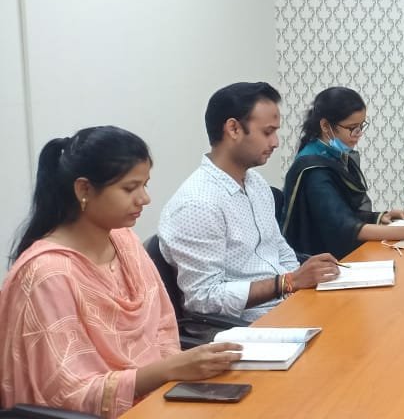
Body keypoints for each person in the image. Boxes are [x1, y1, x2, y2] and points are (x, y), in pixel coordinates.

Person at [0, 127, 241, 418]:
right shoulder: (47, 275)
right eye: (130, 188)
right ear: (84, 190)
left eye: (145, 185)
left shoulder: (124, 241)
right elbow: (66, 394)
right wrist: (169, 371)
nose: (145, 199)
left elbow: (163, 330)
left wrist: (181, 371)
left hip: (164, 396)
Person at [158, 82, 341, 323]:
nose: (275, 142)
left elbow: (280, 250)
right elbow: (204, 299)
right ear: (233, 129)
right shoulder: (198, 204)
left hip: (287, 307)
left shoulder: (255, 183)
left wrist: (301, 283)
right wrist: (288, 282)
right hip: (247, 327)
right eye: (267, 132)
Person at [283, 87, 404, 258]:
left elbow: (344, 211)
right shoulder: (314, 168)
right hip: (320, 258)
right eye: (352, 128)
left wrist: (381, 217)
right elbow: (343, 226)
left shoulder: (336, 155)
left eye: (361, 126)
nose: (359, 134)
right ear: (326, 126)